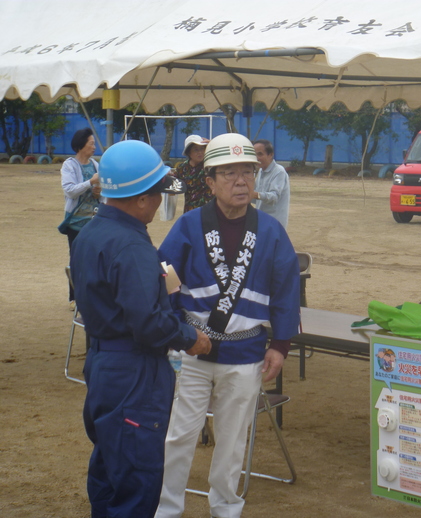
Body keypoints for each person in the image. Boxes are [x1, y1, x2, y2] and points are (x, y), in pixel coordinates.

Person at [155, 133, 301, 518]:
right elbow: (165, 277)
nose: (241, 181)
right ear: (210, 181)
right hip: (192, 350)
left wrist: (280, 345)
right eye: (229, 173)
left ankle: (225, 506)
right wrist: (174, 331)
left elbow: (287, 289)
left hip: (246, 352)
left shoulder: (270, 232)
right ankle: (167, 507)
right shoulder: (187, 226)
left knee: (233, 439)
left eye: (248, 172)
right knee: (180, 435)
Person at [70, 140, 212, 518]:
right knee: (136, 479)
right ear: (143, 199)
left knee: (109, 467)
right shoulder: (130, 245)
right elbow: (147, 322)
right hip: (134, 370)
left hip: (102, 364)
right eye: (158, 194)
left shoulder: (89, 234)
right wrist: (190, 338)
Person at [61, 127, 101, 309]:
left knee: (95, 259)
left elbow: (103, 195)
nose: (94, 147)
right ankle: (74, 297)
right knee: (76, 259)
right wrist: (90, 182)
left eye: (94, 144)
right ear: (80, 145)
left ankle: (93, 296)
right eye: (91, 144)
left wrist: (99, 192)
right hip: (76, 223)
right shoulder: (69, 165)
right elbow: (69, 190)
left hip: (95, 222)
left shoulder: (95, 165)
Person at [252, 139, 290, 229]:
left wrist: (255, 194)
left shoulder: (279, 171)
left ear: (271, 155)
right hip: (262, 220)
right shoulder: (261, 171)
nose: (256, 157)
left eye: (260, 154)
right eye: (254, 154)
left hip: (275, 223)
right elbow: (257, 198)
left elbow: (274, 197)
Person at [172, 134, 211, 213]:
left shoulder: (210, 165)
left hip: (210, 211)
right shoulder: (182, 168)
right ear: (189, 153)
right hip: (190, 212)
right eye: (196, 150)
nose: (200, 152)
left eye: (202, 149)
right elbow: (173, 189)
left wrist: (213, 144)